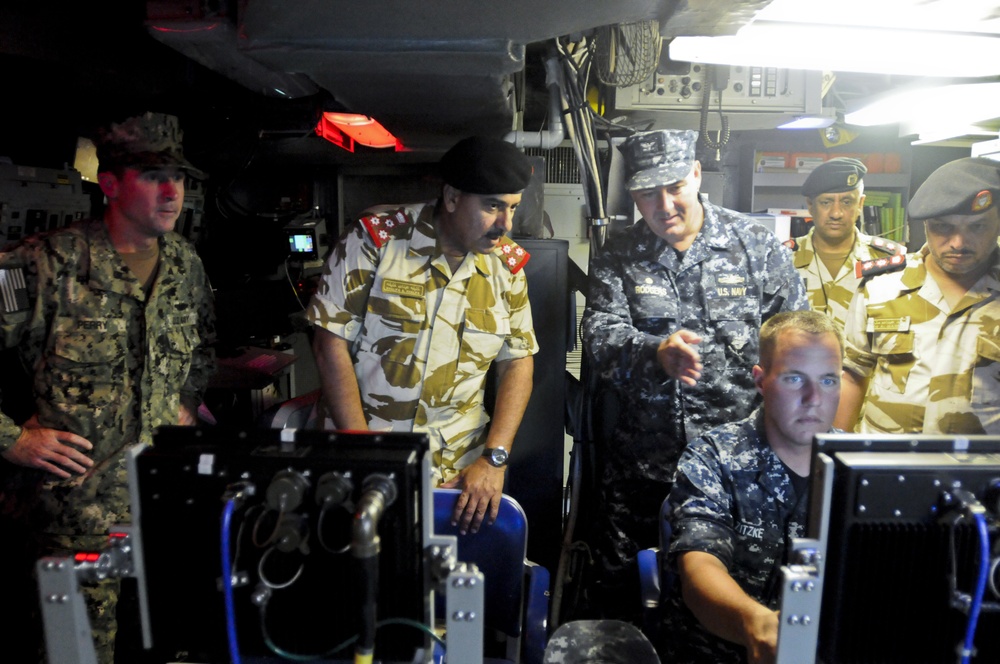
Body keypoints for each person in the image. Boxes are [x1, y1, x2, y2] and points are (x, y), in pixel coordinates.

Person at [0, 111, 216, 663]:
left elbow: (201, 348)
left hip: (162, 513)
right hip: (75, 522)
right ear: (111, 183)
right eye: (152, 176)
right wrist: (12, 440)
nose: (172, 191)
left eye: (180, 177)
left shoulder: (185, 265)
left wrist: (186, 400)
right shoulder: (41, 263)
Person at [580, 128, 809, 618]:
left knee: (734, 603)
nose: (663, 205)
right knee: (624, 604)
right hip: (645, 470)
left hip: (742, 474)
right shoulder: (619, 256)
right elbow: (597, 334)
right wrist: (653, 352)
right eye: (646, 193)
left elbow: (797, 341)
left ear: (698, 176)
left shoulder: (756, 248)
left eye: (675, 187)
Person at [307, 135, 537, 535]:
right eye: (492, 206)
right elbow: (330, 344)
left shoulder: (505, 269)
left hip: (458, 478)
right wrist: (366, 456)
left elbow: (518, 360)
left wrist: (494, 458)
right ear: (451, 198)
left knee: (444, 587)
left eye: (513, 208)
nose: (506, 225)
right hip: (363, 458)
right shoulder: (376, 241)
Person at [660, 310, 844, 664]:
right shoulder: (714, 457)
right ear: (761, 380)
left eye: (828, 380)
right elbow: (701, 564)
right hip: (719, 652)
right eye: (794, 379)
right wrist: (753, 623)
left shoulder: (859, 467)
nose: (813, 398)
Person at [836, 156, 1000, 434]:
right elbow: (853, 375)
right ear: (925, 226)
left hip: (981, 470)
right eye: (943, 228)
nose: (958, 243)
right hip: (886, 466)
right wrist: (832, 456)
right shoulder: (880, 288)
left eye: (977, 227)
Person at [784, 157, 905, 330]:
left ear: (860, 204)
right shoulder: (782, 259)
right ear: (810, 206)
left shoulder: (891, 260)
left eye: (847, 202)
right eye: (826, 202)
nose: (836, 213)